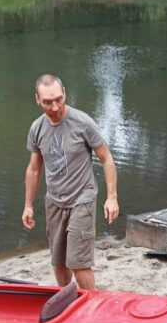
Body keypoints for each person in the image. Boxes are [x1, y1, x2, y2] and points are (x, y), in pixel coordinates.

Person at [22, 74, 119, 290]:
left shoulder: (82, 122)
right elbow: (34, 168)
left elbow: (107, 158)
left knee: (78, 263)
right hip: (54, 201)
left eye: (58, 99)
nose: (55, 106)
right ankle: (67, 302)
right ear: (37, 99)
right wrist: (28, 206)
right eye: (48, 102)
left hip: (81, 198)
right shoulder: (36, 128)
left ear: (64, 92)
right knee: (58, 262)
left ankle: (90, 306)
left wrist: (112, 197)